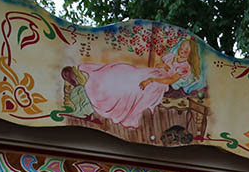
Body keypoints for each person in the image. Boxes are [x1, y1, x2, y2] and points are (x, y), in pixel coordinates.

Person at [63, 37, 204, 129]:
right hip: (154, 73)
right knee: (125, 70)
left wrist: (151, 80)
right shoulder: (172, 57)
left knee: (135, 87)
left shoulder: (185, 67)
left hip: (160, 84)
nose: (183, 50)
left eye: (186, 50)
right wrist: (163, 66)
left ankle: (102, 94)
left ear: (190, 53)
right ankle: (94, 77)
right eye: (182, 47)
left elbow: (170, 80)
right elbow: (160, 65)